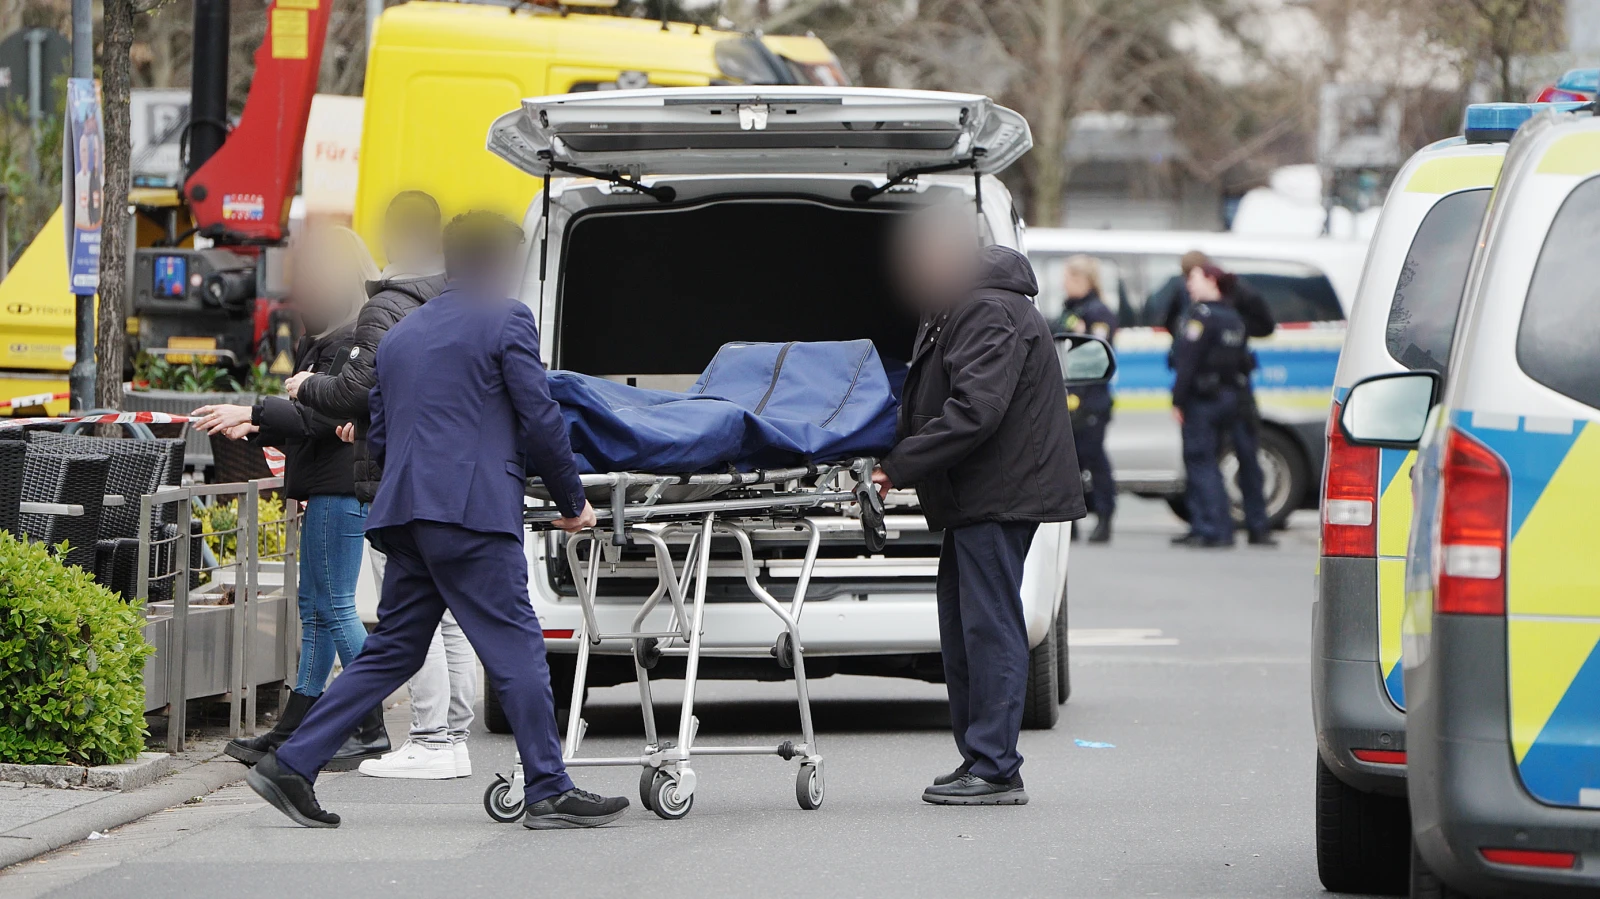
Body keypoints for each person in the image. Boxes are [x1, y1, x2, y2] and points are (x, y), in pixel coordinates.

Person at [245, 210, 629, 830]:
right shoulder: (506, 318)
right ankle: (549, 788)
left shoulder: (403, 334)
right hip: (471, 512)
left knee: (392, 648)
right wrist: (571, 502)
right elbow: (540, 417)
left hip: (408, 514)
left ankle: (292, 763)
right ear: (503, 266)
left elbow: (382, 434)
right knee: (517, 644)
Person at [872, 207, 1085, 806]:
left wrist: (897, 465)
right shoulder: (956, 304)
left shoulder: (987, 307)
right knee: (965, 629)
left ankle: (995, 768)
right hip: (976, 496)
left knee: (989, 630)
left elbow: (976, 410)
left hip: (999, 494)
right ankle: (980, 758)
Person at [289, 192, 480, 780]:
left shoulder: (387, 306)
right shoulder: (460, 298)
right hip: (454, 477)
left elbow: (355, 387)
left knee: (402, 617)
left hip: (394, 478)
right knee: (449, 618)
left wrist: (304, 389)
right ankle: (453, 730)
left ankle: (426, 734)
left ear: (392, 237)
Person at [193, 226, 392, 769]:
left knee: (332, 607)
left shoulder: (352, 339)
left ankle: (368, 724)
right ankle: (294, 727)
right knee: (317, 609)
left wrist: (252, 414)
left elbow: (322, 416)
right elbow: (309, 425)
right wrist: (257, 423)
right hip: (326, 486)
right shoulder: (328, 336)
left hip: (338, 488)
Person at [1170, 251, 1278, 546]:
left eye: (1193, 279)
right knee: (1227, 460)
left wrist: (1177, 400)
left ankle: (1215, 527)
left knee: (1203, 459)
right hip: (1233, 395)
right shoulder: (1232, 316)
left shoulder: (1205, 314)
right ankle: (1228, 526)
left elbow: (1188, 361)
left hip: (1209, 399)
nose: (1188, 285)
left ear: (1210, 279)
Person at [1053, 255, 1117, 544]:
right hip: (1067, 398)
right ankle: (1072, 522)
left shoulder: (1098, 313)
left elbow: (1093, 356)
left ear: (1083, 280)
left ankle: (1104, 517)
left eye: (1068, 278)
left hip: (1090, 401)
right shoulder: (1071, 310)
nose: (1064, 284)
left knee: (1095, 459)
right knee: (1069, 464)